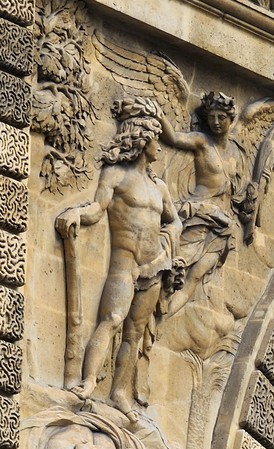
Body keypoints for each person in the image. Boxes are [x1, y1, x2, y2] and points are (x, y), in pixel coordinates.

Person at [56, 97, 184, 414]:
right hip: (124, 265)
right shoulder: (116, 175)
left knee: (134, 333)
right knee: (111, 320)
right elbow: (96, 209)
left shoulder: (160, 187)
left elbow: (174, 221)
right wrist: (76, 213)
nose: (160, 147)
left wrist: (168, 243)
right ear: (142, 138)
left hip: (154, 266)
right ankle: (88, 381)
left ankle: (119, 393)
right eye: (156, 140)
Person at [159, 90, 249, 315]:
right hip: (200, 215)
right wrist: (157, 114)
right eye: (212, 118)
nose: (216, 122)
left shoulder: (236, 152)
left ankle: (163, 316)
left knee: (196, 275)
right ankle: (152, 304)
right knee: (175, 266)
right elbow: (174, 138)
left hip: (223, 226)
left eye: (221, 117)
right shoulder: (202, 142)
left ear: (231, 118)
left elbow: (237, 191)